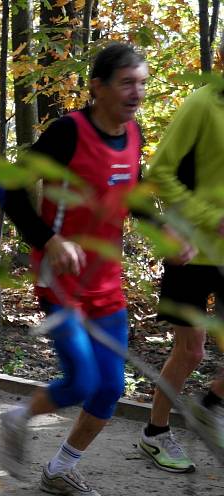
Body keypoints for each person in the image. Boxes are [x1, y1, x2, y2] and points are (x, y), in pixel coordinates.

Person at [0, 43, 148, 495]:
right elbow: (8, 186)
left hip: (106, 285)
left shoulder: (134, 134)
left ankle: (60, 469)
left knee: (109, 389)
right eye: (127, 83)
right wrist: (48, 240)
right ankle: (17, 417)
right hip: (59, 282)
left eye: (142, 83)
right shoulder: (68, 133)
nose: (136, 93)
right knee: (82, 380)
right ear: (97, 87)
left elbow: (134, 198)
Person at [136, 37, 224, 474]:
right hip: (192, 249)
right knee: (189, 352)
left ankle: (210, 405)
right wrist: (211, 216)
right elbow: (160, 172)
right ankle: (154, 433)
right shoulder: (202, 104)